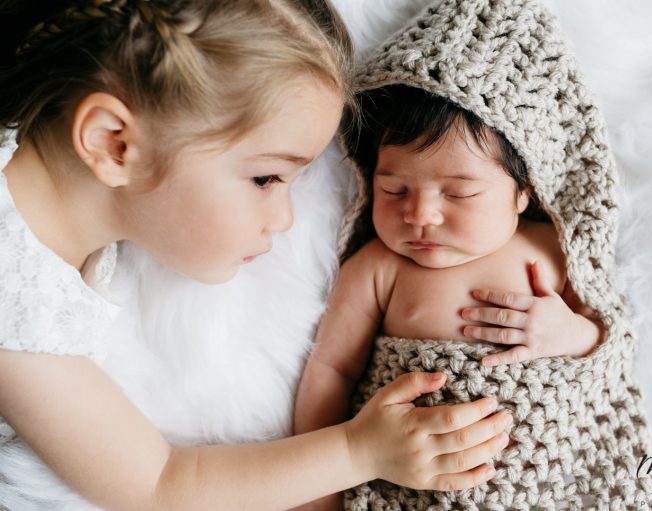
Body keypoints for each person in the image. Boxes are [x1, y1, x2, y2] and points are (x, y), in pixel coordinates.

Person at [0, 1, 515, 509]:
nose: (286, 218)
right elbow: (157, 484)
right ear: (115, 144)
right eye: (265, 178)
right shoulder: (15, 307)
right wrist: (360, 450)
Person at [293, 83, 606, 509]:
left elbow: (605, 343)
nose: (419, 214)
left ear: (523, 192)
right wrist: (318, 489)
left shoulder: (554, 249)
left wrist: (570, 334)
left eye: (459, 193)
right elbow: (332, 370)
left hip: (545, 480)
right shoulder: (377, 267)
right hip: (414, 488)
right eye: (394, 190)